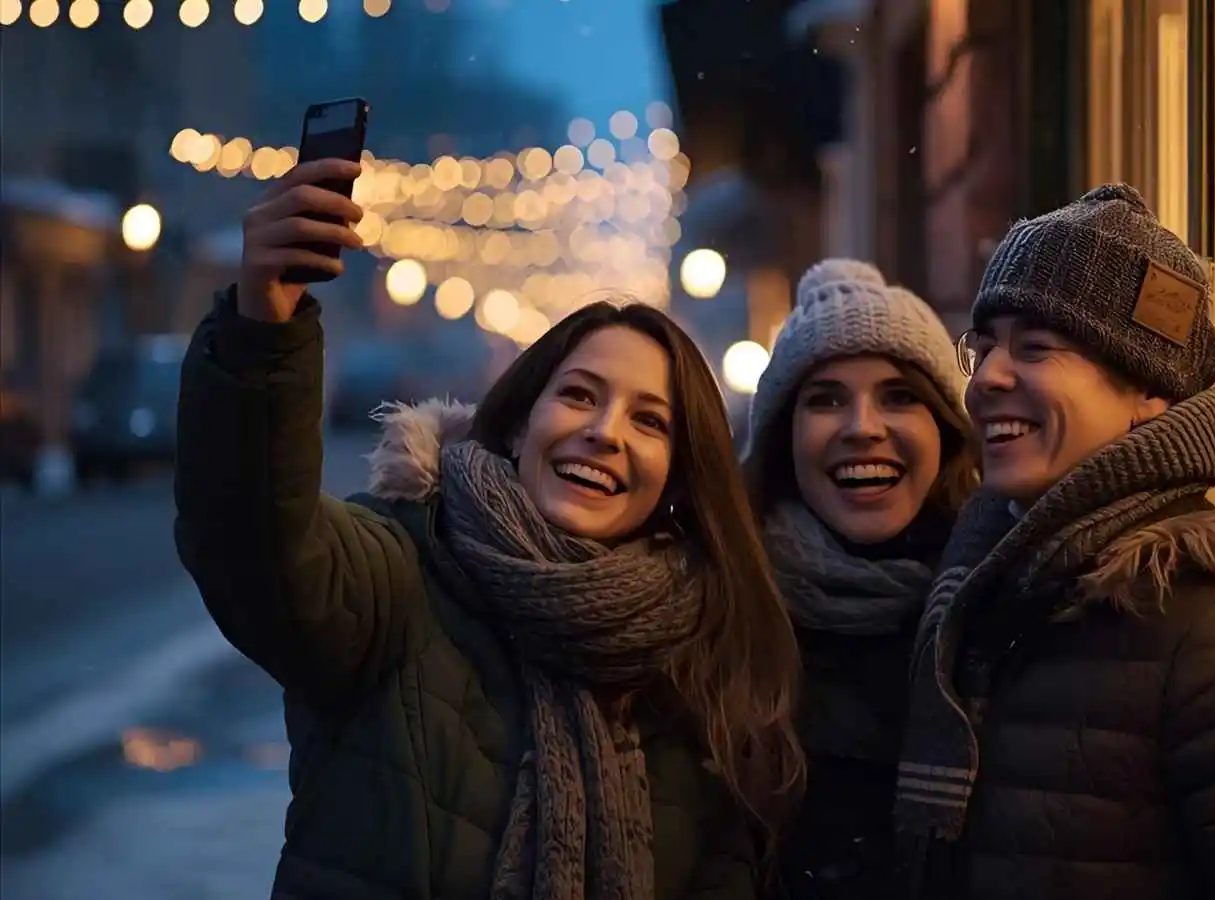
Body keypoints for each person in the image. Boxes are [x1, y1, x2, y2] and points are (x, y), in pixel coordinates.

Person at [174, 158, 804, 900]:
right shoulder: (402, 569)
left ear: (678, 477)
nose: (604, 433)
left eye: (649, 420)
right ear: (517, 423)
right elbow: (255, 545)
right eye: (578, 394)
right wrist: (260, 332)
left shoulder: (699, 669)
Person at [893, 183, 1215, 900]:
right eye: (984, 348)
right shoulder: (987, 587)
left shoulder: (1213, 632)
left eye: (1036, 348)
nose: (987, 380)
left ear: (1147, 394)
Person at [742, 260, 978, 900]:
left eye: (900, 396)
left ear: (946, 429)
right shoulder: (718, 612)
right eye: (825, 400)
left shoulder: (1006, 608)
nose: (862, 427)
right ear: (782, 438)